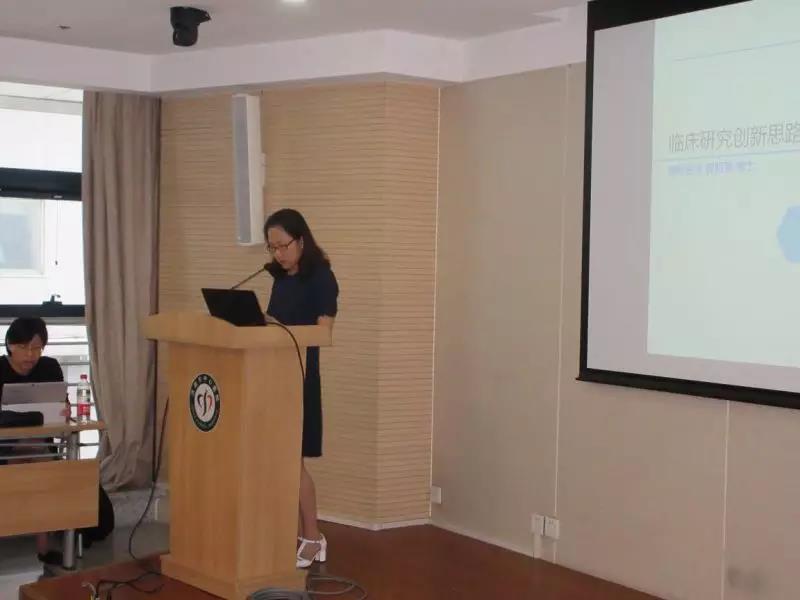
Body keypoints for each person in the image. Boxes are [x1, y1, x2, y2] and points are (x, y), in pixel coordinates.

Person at [263, 209, 339, 569]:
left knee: (292, 462)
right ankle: (285, 530)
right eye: (272, 247)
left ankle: (312, 537)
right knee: (277, 460)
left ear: (301, 240)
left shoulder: (321, 278)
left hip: (300, 376)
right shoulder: (280, 279)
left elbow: (323, 333)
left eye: (283, 245)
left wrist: (280, 328)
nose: (278, 253)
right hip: (270, 374)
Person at [0, 317, 68, 564]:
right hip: (4, 446)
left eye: (37, 348)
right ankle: (41, 543)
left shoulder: (50, 367)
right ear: (10, 345)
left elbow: (61, 405)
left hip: (40, 443)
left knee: (42, 464)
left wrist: (64, 410)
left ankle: (44, 544)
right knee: (34, 465)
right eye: (23, 347)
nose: (30, 355)